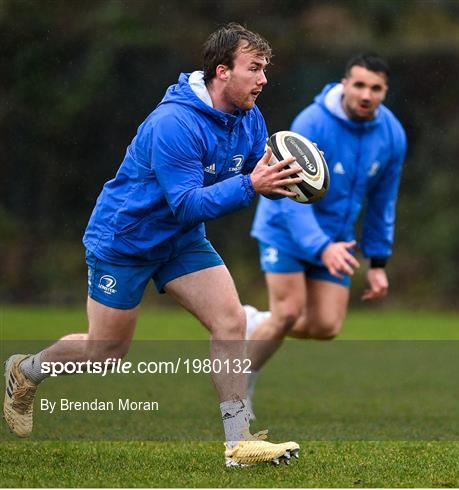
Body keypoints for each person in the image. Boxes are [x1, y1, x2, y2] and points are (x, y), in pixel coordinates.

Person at [3, 23, 302, 467]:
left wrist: (287, 179)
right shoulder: (174, 123)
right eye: (254, 69)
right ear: (222, 71)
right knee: (105, 353)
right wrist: (252, 185)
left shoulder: (249, 116)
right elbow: (186, 202)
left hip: (180, 242)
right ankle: (25, 371)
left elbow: (256, 171)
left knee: (230, 320)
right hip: (124, 241)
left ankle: (238, 442)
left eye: (264, 70)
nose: (263, 79)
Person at [245, 54, 407, 418]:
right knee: (287, 312)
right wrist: (321, 246)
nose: (367, 94)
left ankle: (254, 323)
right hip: (285, 228)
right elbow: (287, 195)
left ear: (385, 91)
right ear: (345, 83)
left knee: (326, 326)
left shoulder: (393, 135)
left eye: (376, 88)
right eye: (360, 85)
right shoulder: (312, 122)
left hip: (336, 238)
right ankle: (240, 389)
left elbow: (384, 200)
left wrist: (378, 261)